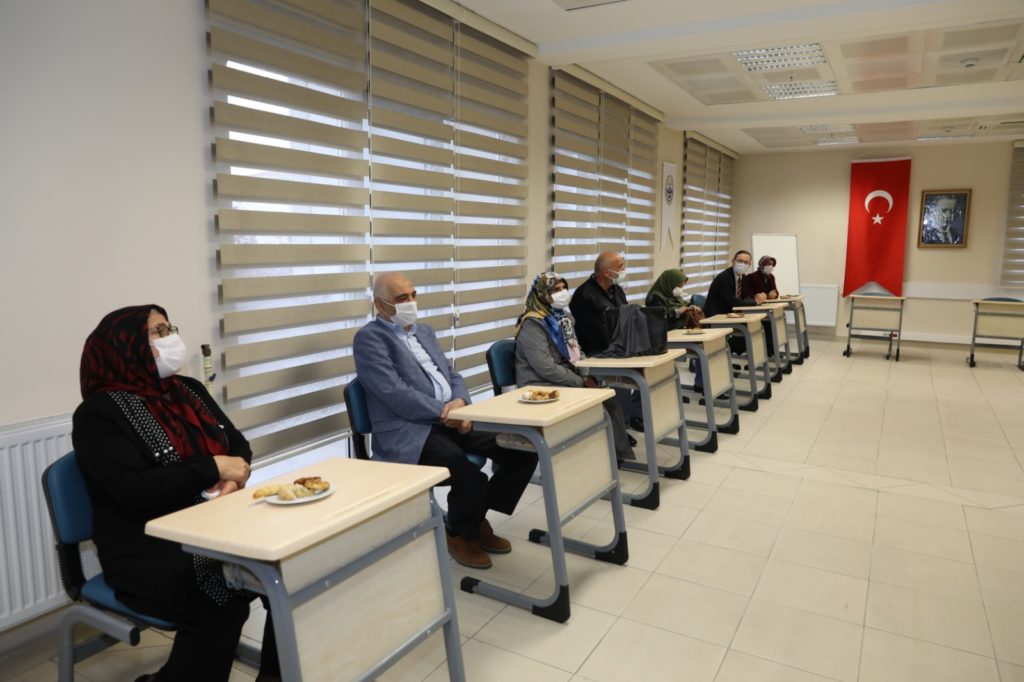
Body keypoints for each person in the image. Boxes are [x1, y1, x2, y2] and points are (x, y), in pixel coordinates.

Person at [72, 305, 280, 682]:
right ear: (126, 346)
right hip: (146, 546)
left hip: (214, 526)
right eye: (158, 332)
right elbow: (133, 491)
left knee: (286, 572)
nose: (171, 339)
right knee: (221, 598)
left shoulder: (189, 390)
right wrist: (212, 468)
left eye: (170, 329)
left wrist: (233, 477)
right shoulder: (97, 415)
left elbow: (236, 444)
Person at [353, 272, 538, 570]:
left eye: (413, 295)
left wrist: (461, 403)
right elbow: (393, 392)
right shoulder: (369, 339)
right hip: (410, 430)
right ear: (379, 304)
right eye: (402, 298)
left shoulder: (424, 332)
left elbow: (452, 375)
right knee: (468, 474)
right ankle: (459, 535)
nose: (411, 302)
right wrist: (445, 412)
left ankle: (475, 519)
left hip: (450, 418)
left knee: (522, 448)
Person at [514, 272, 635, 462]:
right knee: (598, 406)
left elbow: (578, 352)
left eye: (564, 288)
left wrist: (587, 374)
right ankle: (600, 459)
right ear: (542, 294)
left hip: (564, 378)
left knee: (608, 401)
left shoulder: (564, 319)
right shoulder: (532, 323)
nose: (562, 293)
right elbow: (546, 367)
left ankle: (610, 457)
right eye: (556, 289)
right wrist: (580, 381)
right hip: (541, 385)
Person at [568, 251, 629, 356]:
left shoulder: (617, 290)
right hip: (596, 354)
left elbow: (627, 318)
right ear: (606, 272)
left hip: (620, 348)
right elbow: (598, 338)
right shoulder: (584, 296)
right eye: (620, 267)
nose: (624, 270)